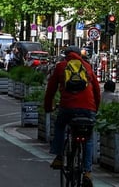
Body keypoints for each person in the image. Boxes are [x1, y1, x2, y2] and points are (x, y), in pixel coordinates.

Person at [44, 46, 101, 187]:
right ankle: (87, 172)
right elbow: (97, 90)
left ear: (66, 55)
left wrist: (48, 107)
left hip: (67, 107)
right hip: (88, 108)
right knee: (88, 138)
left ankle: (59, 156)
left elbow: (50, 90)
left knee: (60, 125)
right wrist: (95, 109)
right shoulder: (87, 66)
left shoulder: (61, 66)